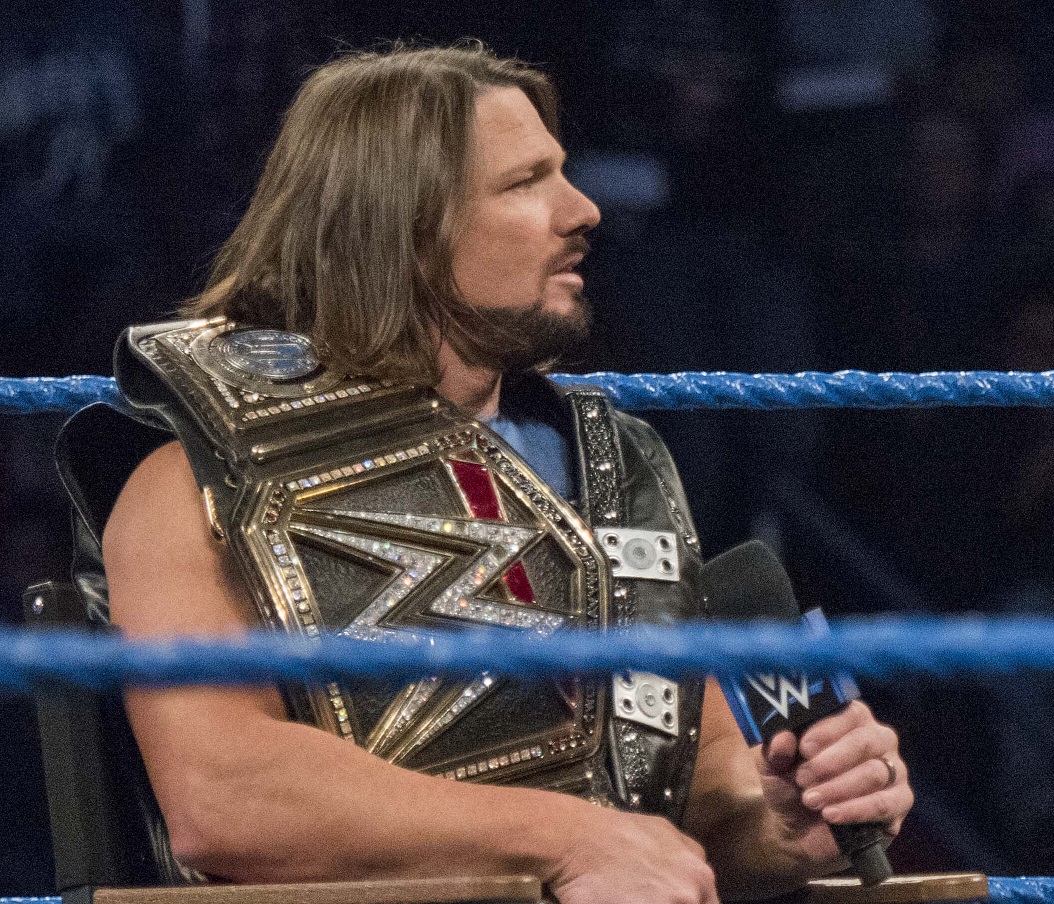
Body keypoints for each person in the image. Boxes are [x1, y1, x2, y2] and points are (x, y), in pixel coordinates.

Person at [84, 43, 913, 904]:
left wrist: (779, 820)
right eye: (525, 183)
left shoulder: (613, 463)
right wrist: (562, 838)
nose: (582, 210)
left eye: (564, 174)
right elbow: (225, 793)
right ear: (403, 227)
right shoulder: (199, 478)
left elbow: (679, 789)